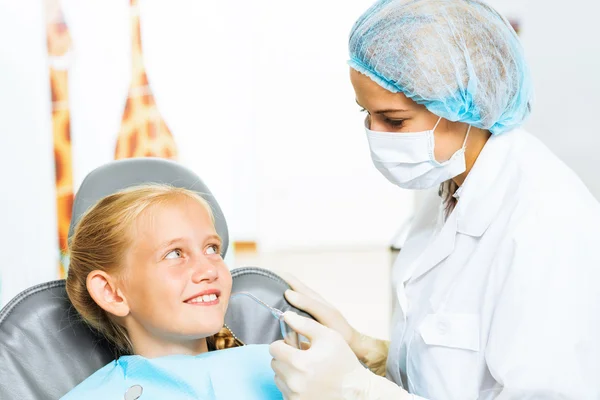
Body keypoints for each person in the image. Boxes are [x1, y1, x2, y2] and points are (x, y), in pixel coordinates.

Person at [269, 0, 600, 399]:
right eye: (366, 113)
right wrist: (367, 352)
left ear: (466, 104)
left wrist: (358, 391)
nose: (373, 133)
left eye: (393, 120)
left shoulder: (545, 226)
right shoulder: (452, 179)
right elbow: (457, 369)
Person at [61, 184, 282, 399]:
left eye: (212, 248)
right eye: (175, 254)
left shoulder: (286, 370)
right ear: (111, 292)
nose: (209, 269)